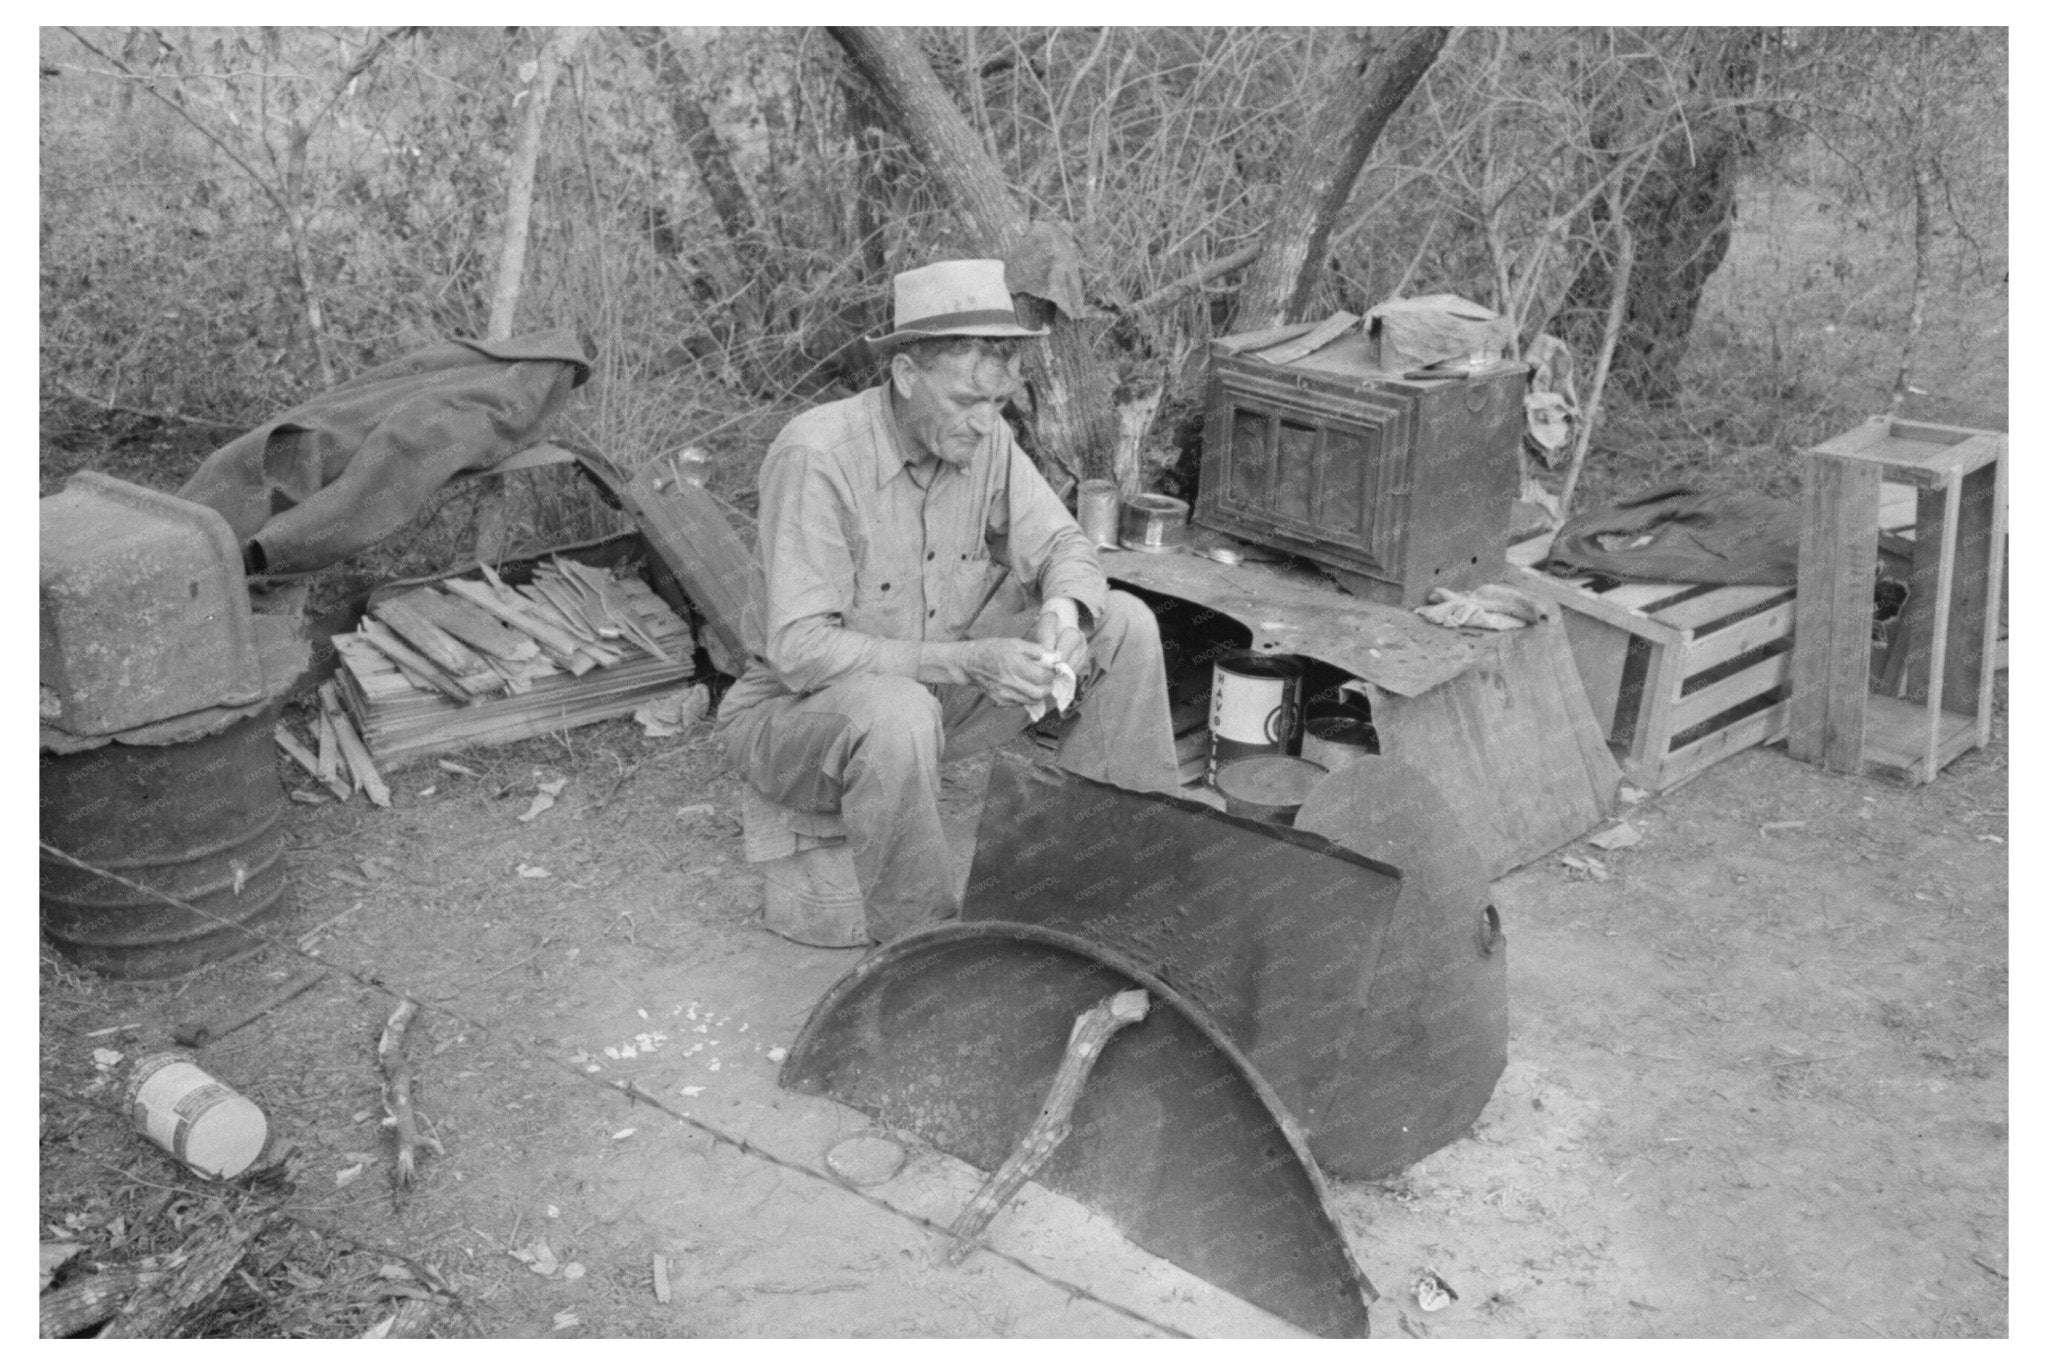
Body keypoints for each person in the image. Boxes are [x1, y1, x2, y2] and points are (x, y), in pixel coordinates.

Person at [714, 258, 1181, 943]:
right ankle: (924, 954)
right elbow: (800, 652)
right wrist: (967, 662)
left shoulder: (988, 441)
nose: (986, 424)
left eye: (998, 403)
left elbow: (1069, 549)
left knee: (1126, 625)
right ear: (906, 375)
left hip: (934, 705)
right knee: (896, 709)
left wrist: (1065, 614)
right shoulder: (817, 457)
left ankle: (1121, 885)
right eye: (967, 402)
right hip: (793, 718)